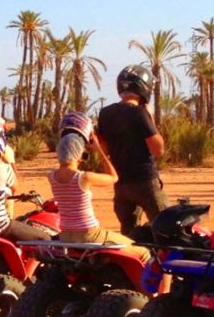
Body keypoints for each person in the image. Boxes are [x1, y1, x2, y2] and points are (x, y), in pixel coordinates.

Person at [49, 120, 148, 259]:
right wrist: (99, 150)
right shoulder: (84, 178)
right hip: (90, 234)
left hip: (66, 235)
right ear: (79, 154)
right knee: (143, 252)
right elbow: (114, 177)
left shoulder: (52, 177)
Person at [97, 65, 168, 237]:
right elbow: (158, 149)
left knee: (128, 233)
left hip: (121, 184)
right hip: (144, 181)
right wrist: (150, 119)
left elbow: (104, 148)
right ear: (144, 87)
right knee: (165, 227)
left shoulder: (105, 113)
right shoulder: (139, 113)